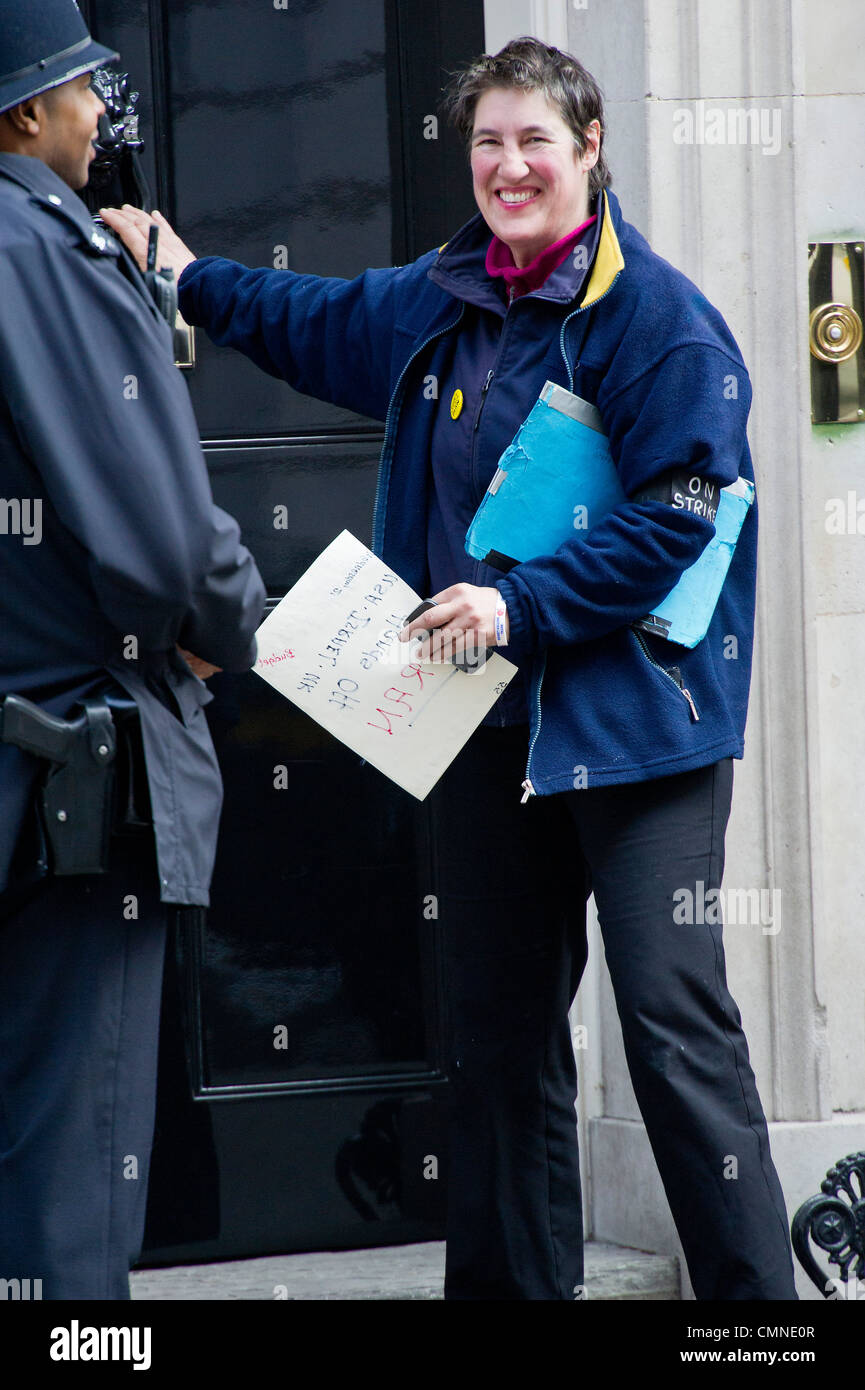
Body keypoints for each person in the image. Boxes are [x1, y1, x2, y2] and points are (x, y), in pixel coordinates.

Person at [103, 36, 797, 1301]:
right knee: (494, 1047)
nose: (508, 165)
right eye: (487, 142)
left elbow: (683, 511)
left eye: (535, 140)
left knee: (671, 1030)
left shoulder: (656, 318)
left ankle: (759, 1318)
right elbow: (308, 319)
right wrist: (190, 275)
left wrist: (517, 601)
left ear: (590, 150)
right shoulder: (442, 295)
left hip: (638, 738)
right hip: (482, 732)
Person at [0, 0, 266, 1299]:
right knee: (69, 1202)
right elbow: (167, 548)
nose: (103, 115)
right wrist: (232, 631)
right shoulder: (46, 249)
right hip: (70, 801)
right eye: (82, 91)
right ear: (25, 110)